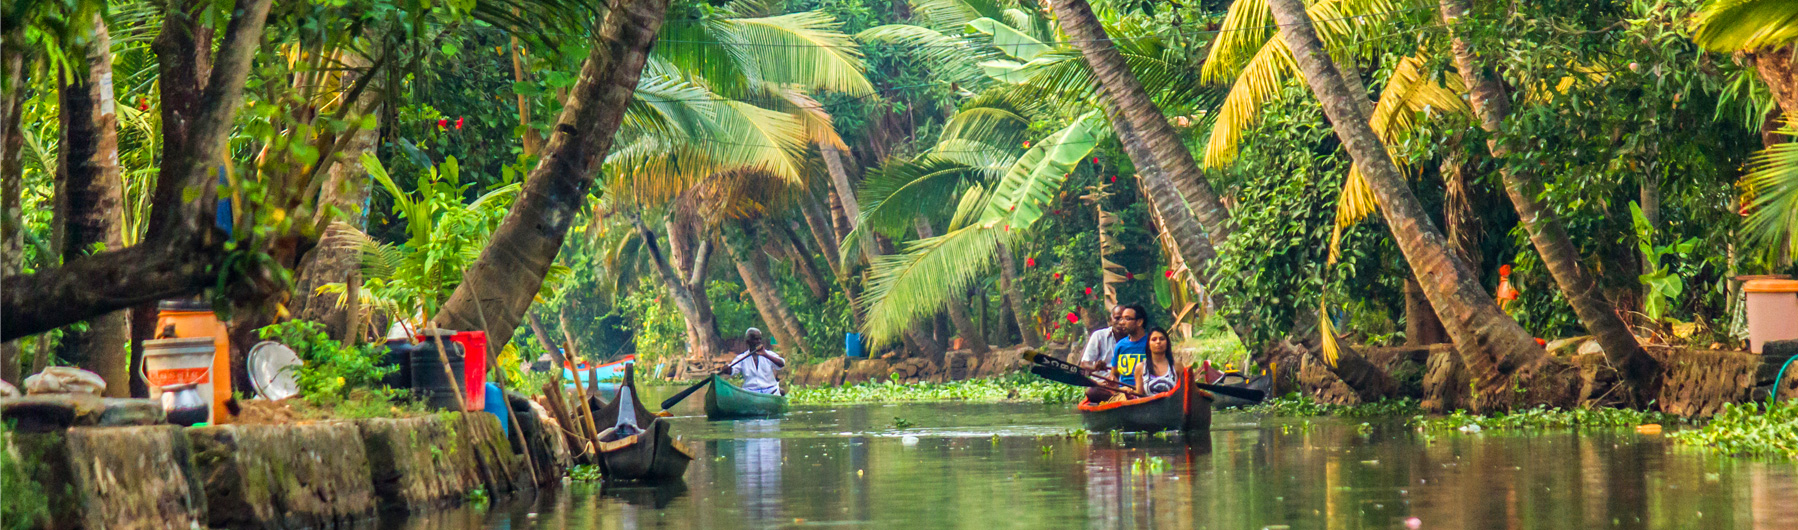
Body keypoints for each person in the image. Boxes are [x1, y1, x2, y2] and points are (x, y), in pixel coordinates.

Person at [725, 328, 786, 395]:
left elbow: (781, 364)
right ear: (748, 342)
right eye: (756, 339)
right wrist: (727, 369)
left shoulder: (768, 354)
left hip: (770, 389)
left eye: (760, 339)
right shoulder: (742, 358)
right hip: (750, 391)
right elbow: (732, 370)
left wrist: (765, 355)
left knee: (781, 391)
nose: (759, 341)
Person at [1134, 327, 1178, 395]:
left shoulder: (1176, 366)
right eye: (1154, 339)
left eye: (1162, 339)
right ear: (1148, 344)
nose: (1158, 342)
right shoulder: (1141, 367)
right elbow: (1139, 396)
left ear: (1167, 343)